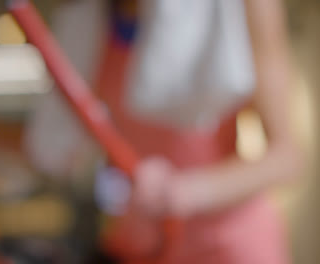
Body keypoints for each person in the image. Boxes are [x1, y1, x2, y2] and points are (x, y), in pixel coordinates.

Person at [25, 0, 303, 263]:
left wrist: (185, 192)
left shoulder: (243, 6)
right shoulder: (89, 20)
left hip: (229, 245)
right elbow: (47, 147)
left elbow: (286, 159)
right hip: (140, 245)